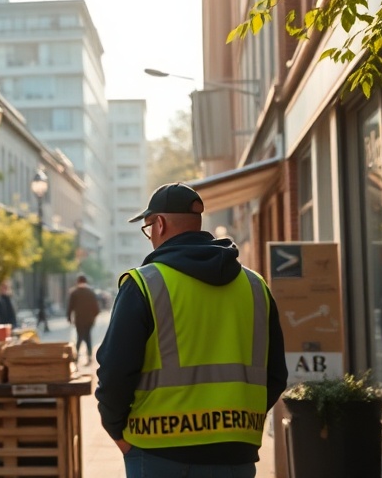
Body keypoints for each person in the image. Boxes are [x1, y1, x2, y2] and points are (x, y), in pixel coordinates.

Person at [96, 183, 288, 477]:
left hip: (158, 452)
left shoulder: (145, 285)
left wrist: (116, 430)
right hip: (236, 452)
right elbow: (275, 375)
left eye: (148, 228)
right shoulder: (255, 286)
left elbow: (114, 372)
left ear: (159, 224)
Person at [67, 274, 101, 365]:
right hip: (89, 320)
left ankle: (76, 356)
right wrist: (93, 317)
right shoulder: (91, 292)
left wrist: (69, 318)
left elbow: (70, 307)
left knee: (79, 337)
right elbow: (97, 309)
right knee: (88, 337)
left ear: (77, 282)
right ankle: (89, 356)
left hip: (79, 320)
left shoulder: (74, 293)